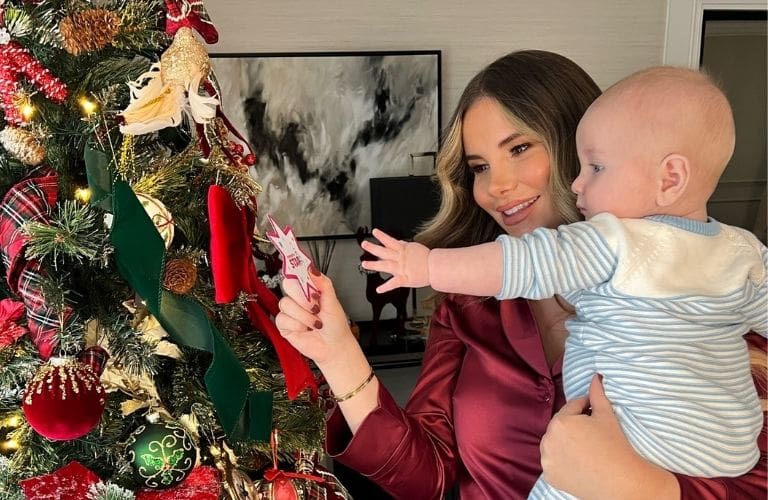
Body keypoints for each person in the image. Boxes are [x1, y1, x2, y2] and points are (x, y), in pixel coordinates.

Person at [275, 51, 768, 499]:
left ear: (583, 143)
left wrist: (643, 490)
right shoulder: (467, 308)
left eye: (519, 149)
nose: (496, 187)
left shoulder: (704, 287)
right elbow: (428, 478)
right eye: (479, 166)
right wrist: (338, 352)